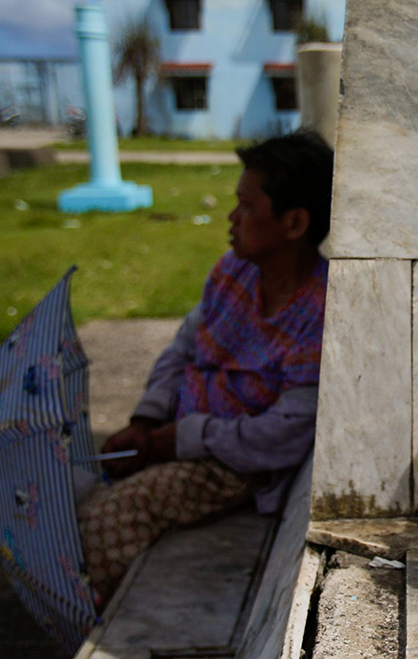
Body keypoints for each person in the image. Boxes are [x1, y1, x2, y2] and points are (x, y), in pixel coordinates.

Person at [79, 130, 334, 604]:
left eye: (247, 206)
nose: (232, 218)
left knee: (115, 515)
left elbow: (287, 432)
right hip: (176, 431)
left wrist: (184, 438)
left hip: (233, 462)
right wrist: (146, 420)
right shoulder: (232, 271)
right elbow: (183, 348)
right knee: (84, 477)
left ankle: (101, 611)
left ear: (295, 222)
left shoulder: (319, 313)